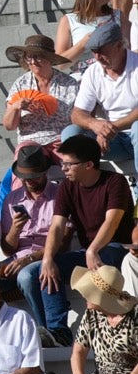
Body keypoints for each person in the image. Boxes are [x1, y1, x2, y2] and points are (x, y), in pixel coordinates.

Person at [39, 131, 136, 323]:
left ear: (89, 165)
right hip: (87, 252)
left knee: (106, 257)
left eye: (68, 164)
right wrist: (47, 259)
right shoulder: (66, 186)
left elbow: (112, 221)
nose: (63, 169)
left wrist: (93, 249)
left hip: (115, 248)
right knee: (34, 273)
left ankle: (107, 323)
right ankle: (57, 331)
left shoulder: (115, 182)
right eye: (62, 163)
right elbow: (57, 226)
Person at [0, 144, 64, 340]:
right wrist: (15, 229)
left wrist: (29, 259)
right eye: (25, 177)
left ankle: (46, 332)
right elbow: (6, 248)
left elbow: (63, 243)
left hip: (47, 255)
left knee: (27, 277)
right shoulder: (12, 199)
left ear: (45, 173)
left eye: (34, 176)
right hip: (16, 258)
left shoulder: (59, 195)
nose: (29, 181)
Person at [71, 20, 138, 165]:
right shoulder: (92, 72)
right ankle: (83, 186)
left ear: (120, 45)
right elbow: (77, 114)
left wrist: (110, 128)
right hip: (112, 142)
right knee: (70, 134)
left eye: (102, 50)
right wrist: (95, 124)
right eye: (94, 51)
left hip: (131, 133)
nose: (97, 57)